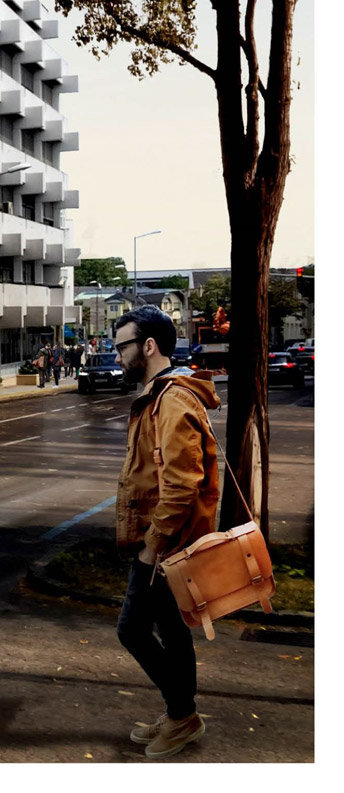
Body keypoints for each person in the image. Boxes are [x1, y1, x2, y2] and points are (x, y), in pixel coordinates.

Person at [111, 304, 221, 759]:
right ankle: (180, 717)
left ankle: (182, 714)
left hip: (165, 546)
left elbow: (181, 483)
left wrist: (152, 548)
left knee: (132, 630)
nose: (116, 356)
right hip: (166, 542)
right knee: (173, 633)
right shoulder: (161, 395)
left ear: (148, 346)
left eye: (122, 346)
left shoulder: (171, 399)